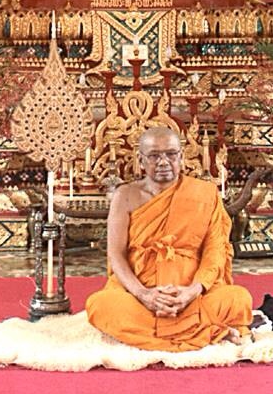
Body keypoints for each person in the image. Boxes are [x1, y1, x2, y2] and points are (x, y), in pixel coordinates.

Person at [86, 126, 253, 352]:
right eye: (154, 156)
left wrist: (192, 291)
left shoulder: (205, 193)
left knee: (238, 299)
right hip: (140, 292)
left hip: (191, 292)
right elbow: (116, 254)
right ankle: (208, 332)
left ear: (181, 157)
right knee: (101, 306)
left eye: (171, 154)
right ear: (141, 160)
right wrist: (144, 295)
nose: (163, 162)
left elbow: (215, 252)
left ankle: (155, 337)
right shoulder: (125, 195)